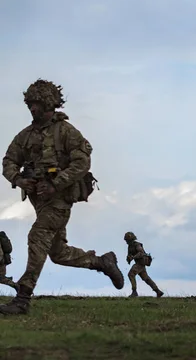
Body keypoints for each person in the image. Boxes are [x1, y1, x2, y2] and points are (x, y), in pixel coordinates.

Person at [0, 79, 124, 315]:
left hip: (60, 200)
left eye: (37, 104)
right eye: (30, 104)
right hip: (40, 202)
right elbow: (8, 160)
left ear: (49, 103)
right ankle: (102, 262)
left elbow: (82, 163)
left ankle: (22, 298)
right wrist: (18, 179)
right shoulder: (25, 136)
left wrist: (56, 184)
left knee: (37, 236)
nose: (32, 108)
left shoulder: (66, 132)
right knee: (57, 253)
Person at [124, 231, 163, 297]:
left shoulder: (137, 245)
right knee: (146, 278)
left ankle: (134, 292)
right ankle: (158, 291)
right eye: (126, 240)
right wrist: (129, 259)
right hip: (139, 263)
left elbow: (141, 253)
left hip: (141, 263)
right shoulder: (130, 247)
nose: (127, 242)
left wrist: (133, 257)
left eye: (128, 240)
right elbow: (129, 255)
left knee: (131, 274)